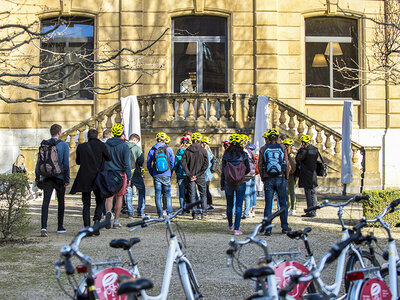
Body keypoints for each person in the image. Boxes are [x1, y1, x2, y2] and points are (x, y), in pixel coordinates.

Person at [70, 129, 111, 233]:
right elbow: (108, 158)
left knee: (86, 203)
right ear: (97, 136)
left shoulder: (81, 146)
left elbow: (78, 162)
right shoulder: (101, 145)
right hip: (98, 177)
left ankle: (87, 226)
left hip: (85, 177)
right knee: (100, 200)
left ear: (87, 136)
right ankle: (97, 221)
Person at [35, 124, 70, 237]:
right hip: (59, 177)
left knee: (46, 202)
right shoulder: (64, 145)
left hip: (46, 177)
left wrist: (37, 177)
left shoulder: (44, 144)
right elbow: (66, 164)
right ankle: (60, 226)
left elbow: (38, 162)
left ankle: (43, 226)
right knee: (61, 202)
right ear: (59, 132)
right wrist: (67, 178)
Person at [258, 128, 291, 235]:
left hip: (268, 178)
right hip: (280, 178)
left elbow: (260, 164)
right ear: (277, 138)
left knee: (268, 204)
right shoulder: (282, 147)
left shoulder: (263, 148)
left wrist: (263, 178)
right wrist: (286, 176)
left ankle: (268, 229)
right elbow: (287, 164)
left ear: (267, 138)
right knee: (283, 204)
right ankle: (285, 227)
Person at [221, 134, 250, 235]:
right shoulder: (243, 154)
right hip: (240, 182)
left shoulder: (226, 154)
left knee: (229, 205)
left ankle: (230, 224)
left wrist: (222, 183)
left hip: (228, 182)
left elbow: (222, 171)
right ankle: (237, 229)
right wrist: (240, 174)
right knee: (239, 206)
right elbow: (248, 169)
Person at [104, 123, 132, 228]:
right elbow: (127, 164)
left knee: (109, 196)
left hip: (109, 173)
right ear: (122, 133)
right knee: (120, 197)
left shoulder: (106, 144)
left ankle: (108, 212)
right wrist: (129, 177)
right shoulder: (124, 146)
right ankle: (116, 220)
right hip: (120, 174)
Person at [181, 132, 209, 220]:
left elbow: (183, 163)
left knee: (192, 195)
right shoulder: (203, 150)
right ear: (200, 141)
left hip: (191, 176)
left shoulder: (187, 150)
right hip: (200, 176)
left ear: (192, 141)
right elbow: (206, 165)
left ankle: (195, 214)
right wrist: (198, 174)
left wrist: (190, 174)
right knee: (203, 195)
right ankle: (204, 214)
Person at [147, 132, 174, 217]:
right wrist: (170, 172)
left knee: (158, 194)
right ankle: (169, 213)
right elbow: (172, 163)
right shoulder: (168, 149)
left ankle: (160, 213)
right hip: (167, 174)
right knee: (168, 194)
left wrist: (152, 172)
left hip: (156, 174)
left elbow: (148, 163)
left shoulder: (153, 149)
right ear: (164, 139)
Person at [296, 134, 320, 218]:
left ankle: (310, 210)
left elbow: (298, 159)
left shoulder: (304, 151)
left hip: (306, 173)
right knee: (313, 192)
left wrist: (300, 150)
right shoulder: (315, 149)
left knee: (308, 193)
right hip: (313, 173)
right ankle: (314, 210)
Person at [126, 133, 146, 218]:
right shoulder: (137, 148)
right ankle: (140, 211)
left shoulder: (123, 146)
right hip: (136, 173)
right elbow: (141, 160)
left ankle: (130, 212)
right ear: (134, 139)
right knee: (141, 191)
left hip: (126, 173)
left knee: (128, 192)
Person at [242, 135, 257, 219]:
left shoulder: (244, 152)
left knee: (247, 193)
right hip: (252, 173)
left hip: (246, 174)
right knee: (252, 192)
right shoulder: (251, 151)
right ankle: (252, 209)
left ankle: (246, 212)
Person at [174, 136, 191, 209]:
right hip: (189, 175)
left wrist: (177, 173)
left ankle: (182, 209)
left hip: (180, 174)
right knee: (190, 192)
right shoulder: (190, 151)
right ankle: (190, 208)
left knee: (181, 193)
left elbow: (176, 164)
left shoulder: (178, 152)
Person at [283, 138, 297, 216]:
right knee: (287, 192)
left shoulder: (291, 154)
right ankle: (288, 206)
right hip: (287, 173)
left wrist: (290, 172)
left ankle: (293, 207)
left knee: (291, 191)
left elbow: (293, 165)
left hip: (291, 174)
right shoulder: (286, 153)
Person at [201, 136, 215, 211]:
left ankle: (208, 204)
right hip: (208, 174)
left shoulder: (205, 152)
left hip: (205, 174)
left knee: (205, 190)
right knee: (206, 189)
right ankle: (208, 204)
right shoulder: (209, 152)